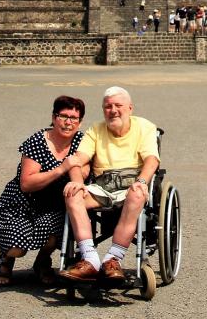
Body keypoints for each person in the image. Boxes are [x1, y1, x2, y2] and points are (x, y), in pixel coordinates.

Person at [59, 87, 159, 283]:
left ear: (130, 108)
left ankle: (113, 259)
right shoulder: (95, 130)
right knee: (72, 194)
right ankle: (90, 259)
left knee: (138, 194)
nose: (113, 110)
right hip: (102, 186)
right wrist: (77, 183)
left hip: (131, 185)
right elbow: (78, 159)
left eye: (118, 106)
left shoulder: (145, 127)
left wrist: (141, 182)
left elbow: (152, 160)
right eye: (108, 106)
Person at [0, 95, 88, 287]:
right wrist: (61, 168)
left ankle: (42, 262)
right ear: (53, 117)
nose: (68, 122)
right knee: (17, 248)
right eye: (63, 116)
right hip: (23, 202)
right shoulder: (37, 141)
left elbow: (85, 170)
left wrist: (79, 173)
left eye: (74, 118)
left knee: (55, 234)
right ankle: (6, 259)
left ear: (80, 121)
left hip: (54, 204)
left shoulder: (81, 141)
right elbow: (26, 183)